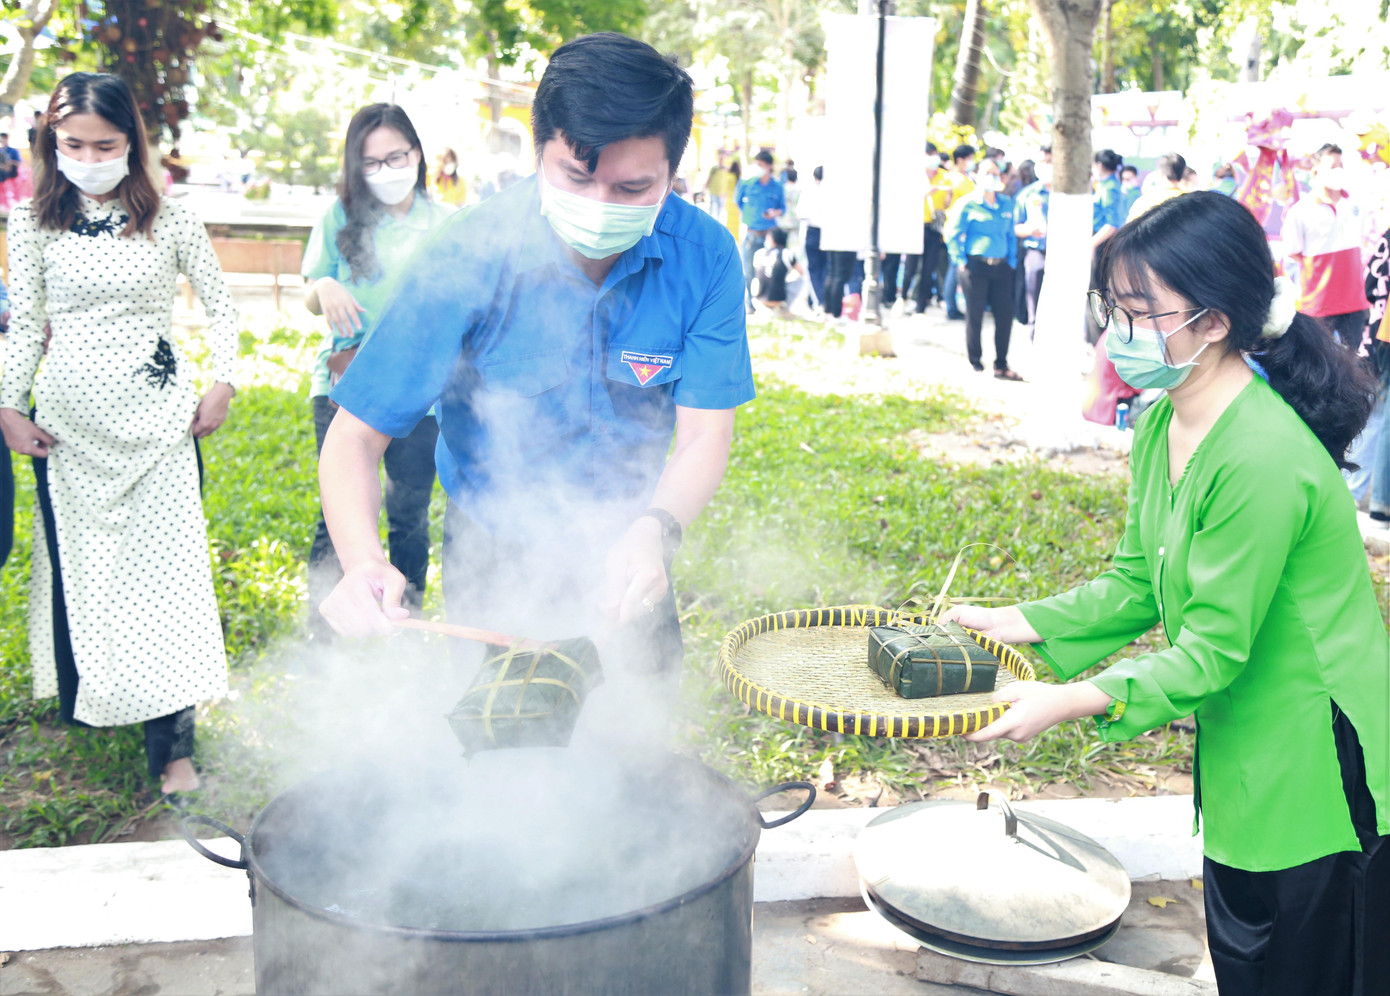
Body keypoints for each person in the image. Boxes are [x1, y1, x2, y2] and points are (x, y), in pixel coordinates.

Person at [945, 191, 1387, 996]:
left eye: (1141, 311)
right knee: (1249, 946)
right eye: (1112, 307)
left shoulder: (1258, 454)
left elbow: (1212, 649)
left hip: (1320, 751)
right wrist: (1009, 622)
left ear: (1215, 322)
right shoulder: (1161, 422)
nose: (1119, 330)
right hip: (1245, 736)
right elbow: (1137, 580)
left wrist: (1068, 699)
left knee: (1311, 963)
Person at [316, 34, 753, 707]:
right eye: (576, 178)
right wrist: (363, 564)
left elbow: (703, 435)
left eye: (634, 187)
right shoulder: (465, 254)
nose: (602, 204)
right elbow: (354, 436)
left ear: (673, 170)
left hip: (631, 547)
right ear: (539, 149)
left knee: (640, 740)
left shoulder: (706, 257)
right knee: (499, 751)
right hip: (494, 547)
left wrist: (654, 531)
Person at [0, 72, 238, 795]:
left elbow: (222, 308)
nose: (88, 156)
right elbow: (22, 333)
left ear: (131, 143)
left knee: (169, 587)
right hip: (69, 435)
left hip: (160, 430)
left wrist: (223, 380)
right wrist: (7, 406)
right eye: (72, 143)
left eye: (105, 144)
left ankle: (173, 750)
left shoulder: (169, 216)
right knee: (91, 578)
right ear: (50, 142)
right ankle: (102, 698)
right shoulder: (31, 222)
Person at [302, 104, 454, 628]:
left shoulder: (447, 226)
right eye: (371, 163)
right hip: (344, 382)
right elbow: (310, 290)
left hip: (422, 395)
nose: (386, 171)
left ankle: (400, 624)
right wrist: (323, 288)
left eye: (397, 157)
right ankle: (328, 638)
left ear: (417, 155)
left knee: (409, 516)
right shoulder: (339, 218)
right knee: (340, 520)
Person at [1280, 144, 1372, 349]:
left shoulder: (1355, 204)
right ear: (1315, 171)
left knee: (1353, 359)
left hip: (1354, 301)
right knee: (1320, 359)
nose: (1338, 171)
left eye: (1341, 166)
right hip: (1319, 304)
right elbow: (1293, 252)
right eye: (1332, 166)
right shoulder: (1301, 211)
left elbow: (1363, 239)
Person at [944, 157, 1020, 380]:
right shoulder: (968, 203)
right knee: (975, 314)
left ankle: (1001, 363)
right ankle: (975, 360)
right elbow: (952, 233)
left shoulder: (1006, 204)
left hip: (1002, 266)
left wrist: (1012, 261)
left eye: (996, 174)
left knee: (1004, 316)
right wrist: (960, 260)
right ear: (976, 175)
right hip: (975, 267)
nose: (992, 178)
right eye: (987, 173)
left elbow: (1011, 235)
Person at [735, 150, 785, 311]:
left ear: (769, 166)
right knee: (748, 270)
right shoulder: (746, 183)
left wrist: (774, 213)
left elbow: (782, 208)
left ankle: (770, 301)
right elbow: (738, 202)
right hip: (751, 232)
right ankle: (749, 303)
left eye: (761, 165)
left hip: (770, 234)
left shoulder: (777, 186)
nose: (758, 168)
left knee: (771, 270)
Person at [1013, 161, 1050, 336]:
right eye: (1044, 162)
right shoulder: (1027, 194)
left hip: (1062, 254)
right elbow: (1014, 227)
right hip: (1036, 251)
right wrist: (1029, 230)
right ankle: (1033, 333)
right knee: (1033, 294)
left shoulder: (1068, 195)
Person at [941, 144, 977, 320]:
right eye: (970, 158)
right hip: (958, 228)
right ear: (961, 160)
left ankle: (951, 306)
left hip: (959, 227)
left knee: (954, 267)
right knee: (955, 268)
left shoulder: (961, 178)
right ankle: (951, 307)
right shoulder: (957, 179)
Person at [751, 226, 803, 315]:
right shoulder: (787, 253)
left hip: (757, 300)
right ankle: (787, 307)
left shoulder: (759, 253)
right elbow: (801, 272)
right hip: (779, 301)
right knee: (800, 279)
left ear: (772, 239)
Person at [1126, 152, 1187, 223]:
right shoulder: (1191, 202)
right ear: (1183, 173)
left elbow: (1130, 230)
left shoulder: (1144, 202)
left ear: (1160, 173)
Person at [798, 165, 826, 310]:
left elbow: (801, 214)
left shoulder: (808, 192)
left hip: (813, 232)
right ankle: (821, 301)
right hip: (828, 233)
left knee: (813, 270)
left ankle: (819, 302)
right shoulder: (831, 192)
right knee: (826, 269)